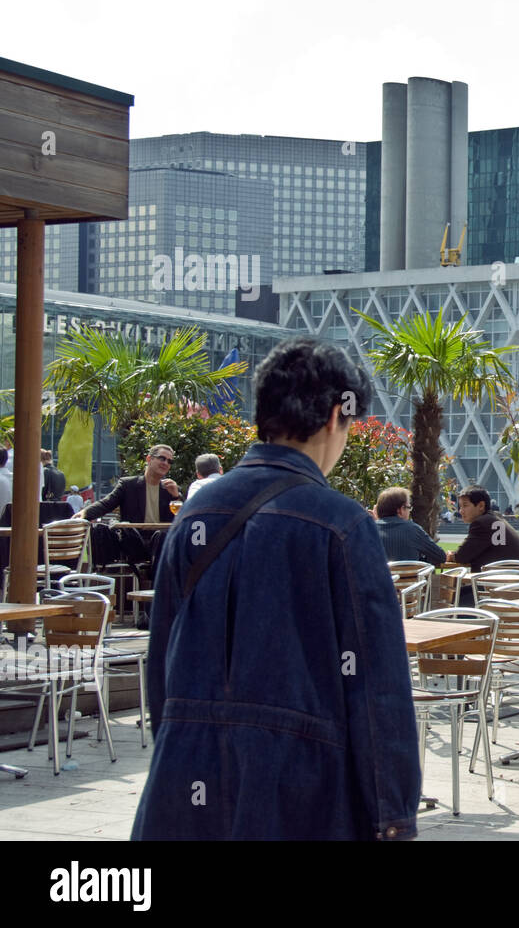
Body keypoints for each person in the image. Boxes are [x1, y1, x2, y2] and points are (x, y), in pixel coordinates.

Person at [131, 336, 420, 841]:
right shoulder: (343, 524)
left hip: (182, 787)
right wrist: (392, 817)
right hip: (300, 790)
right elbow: (377, 690)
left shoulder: (193, 515)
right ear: (335, 417)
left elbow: (164, 664)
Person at [78, 444, 181, 589]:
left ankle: (154, 586)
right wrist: (84, 514)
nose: (165, 463)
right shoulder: (128, 485)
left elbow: (181, 518)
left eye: (169, 461)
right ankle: (151, 584)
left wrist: (176, 496)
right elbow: (106, 504)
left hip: (159, 542)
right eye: (162, 458)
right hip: (134, 541)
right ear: (149, 459)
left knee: (163, 538)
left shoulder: (171, 489)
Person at [450, 486, 519, 573]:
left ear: (481, 506)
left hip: (501, 583)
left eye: (465, 506)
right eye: (460, 506)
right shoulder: (494, 518)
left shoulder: (482, 523)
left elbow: (461, 556)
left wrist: (451, 555)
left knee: (452, 585)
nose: (461, 511)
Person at [374, 486, 446, 565]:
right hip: (410, 577)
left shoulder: (367, 531)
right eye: (409, 507)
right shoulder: (413, 530)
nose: (409, 511)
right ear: (401, 510)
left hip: (376, 577)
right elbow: (441, 557)